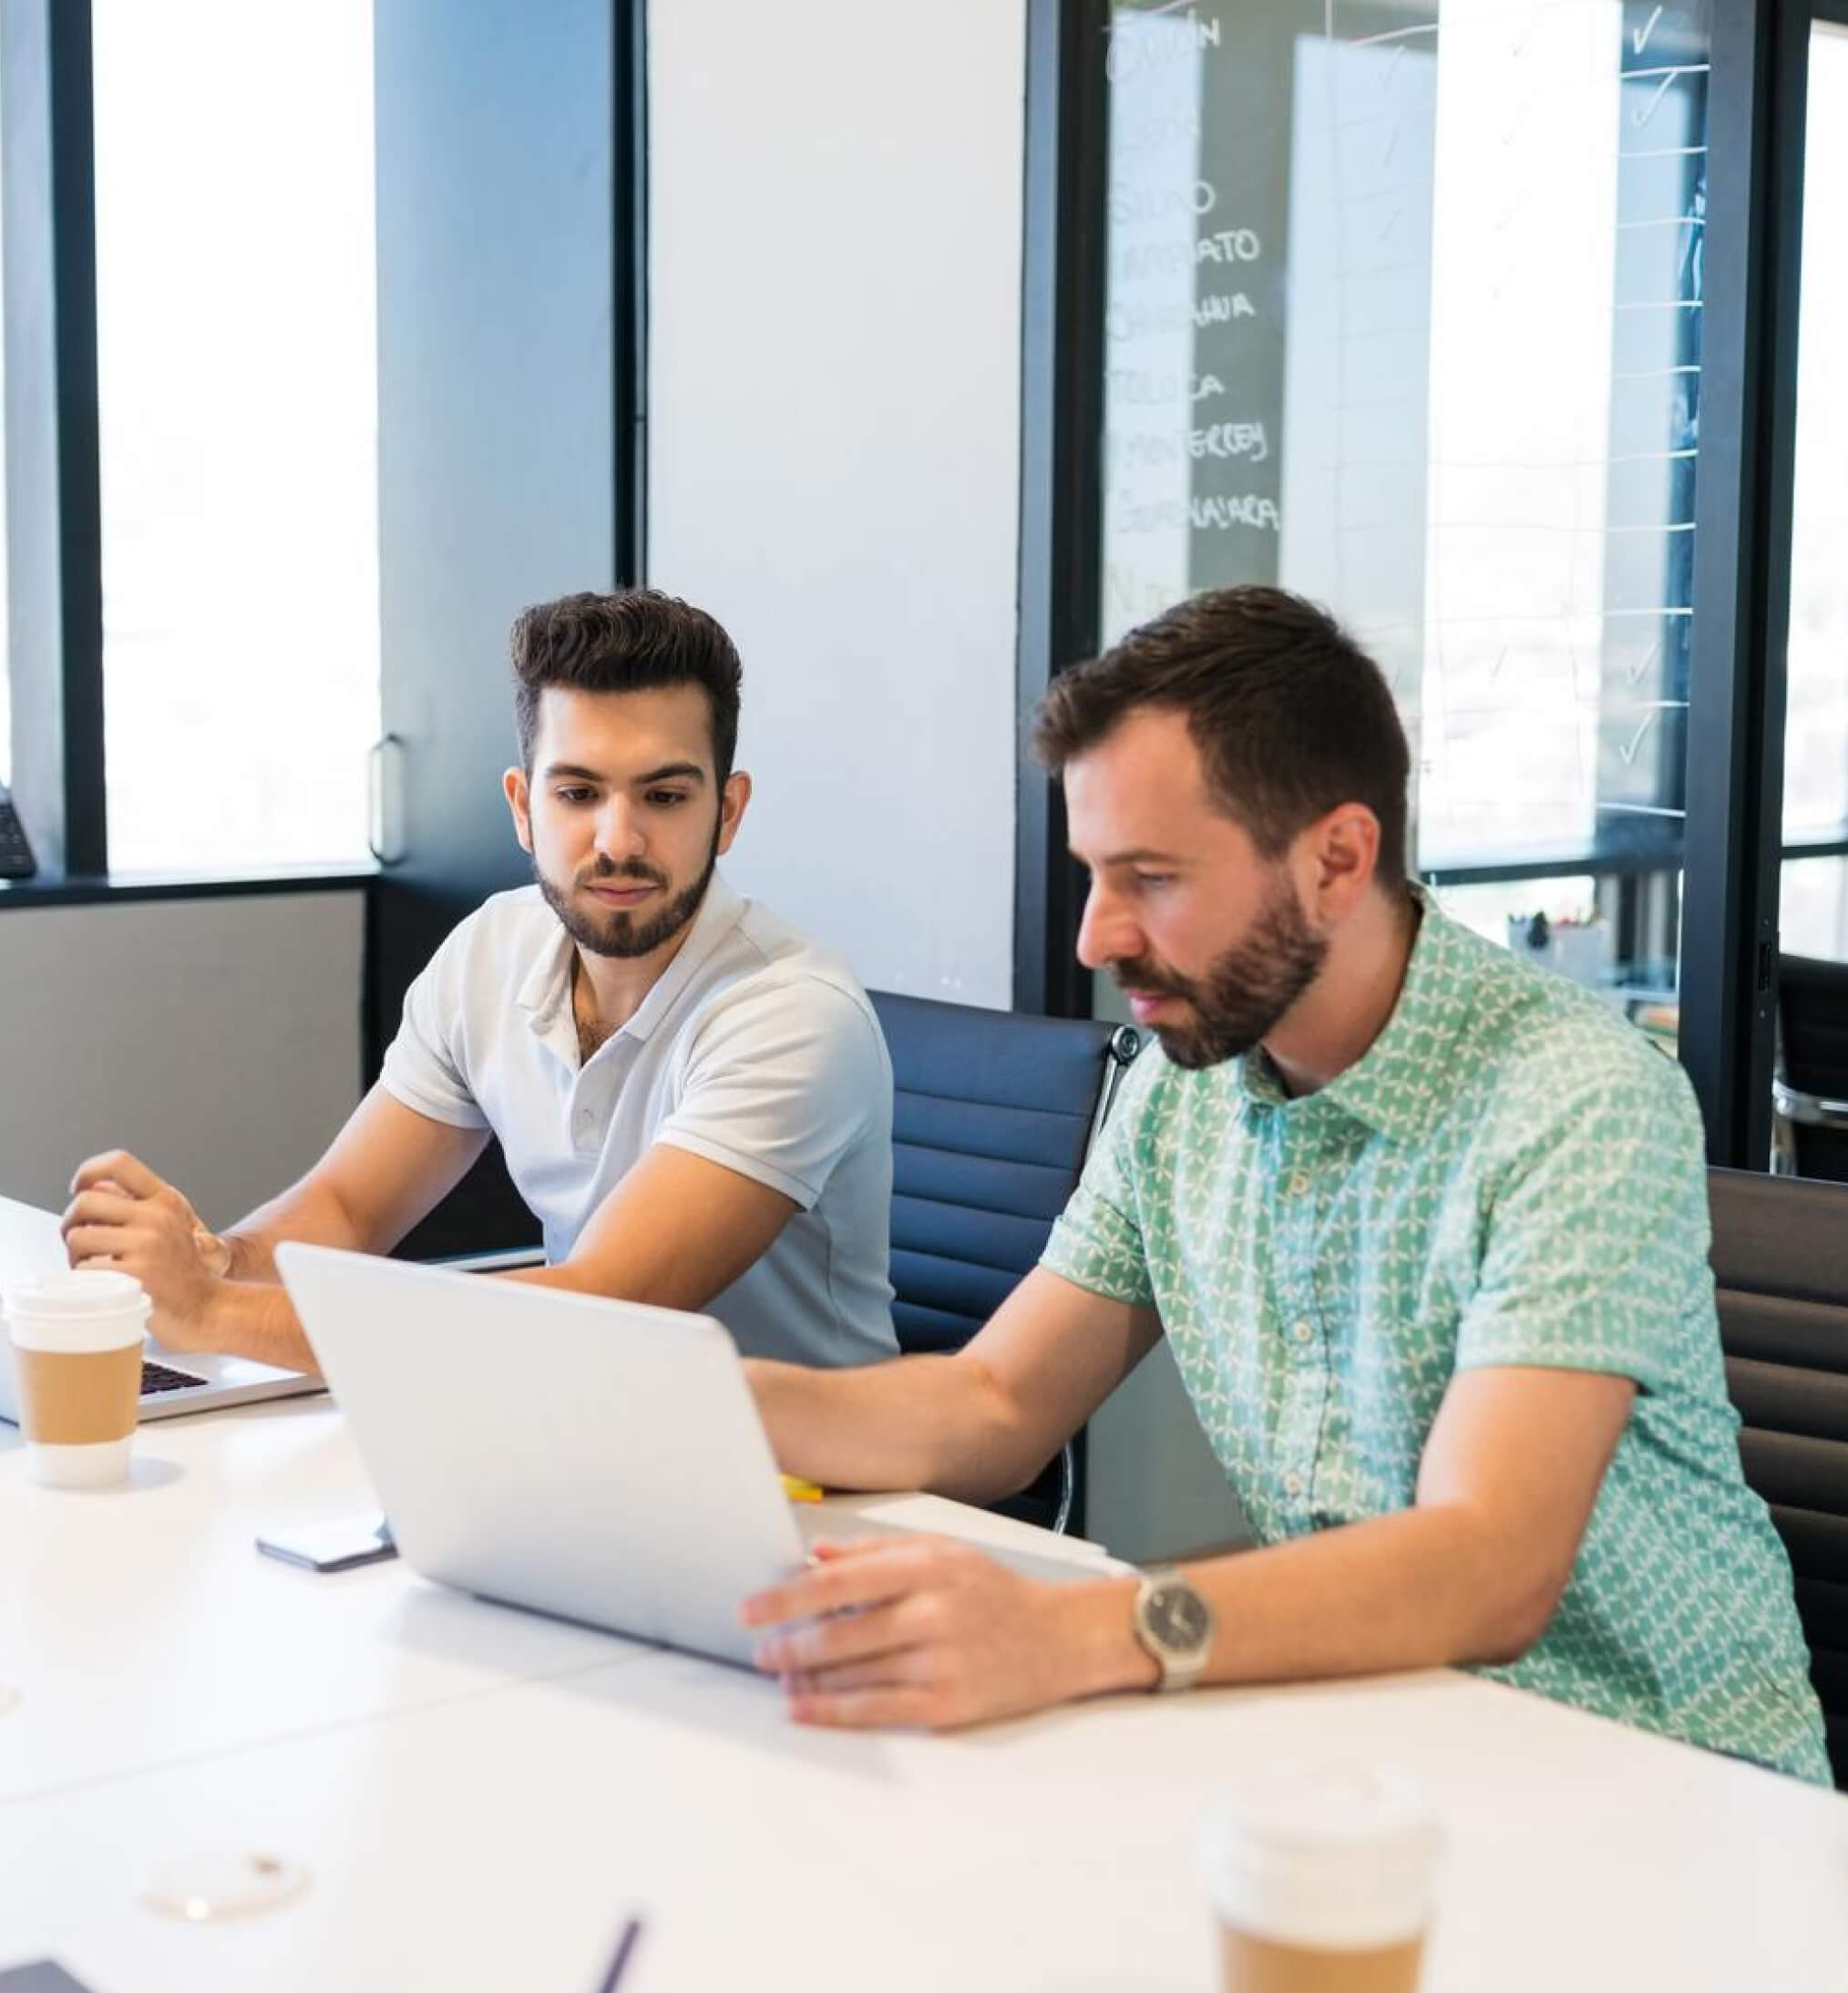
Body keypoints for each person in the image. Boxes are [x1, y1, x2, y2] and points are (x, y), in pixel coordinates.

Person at [738, 584, 1831, 1785]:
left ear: (1337, 857)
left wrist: (1064, 1629)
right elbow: (997, 1402)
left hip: (1669, 1787)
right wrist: (697, 1398)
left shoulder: (1575, 1096)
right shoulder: (1184, 1081)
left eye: (1150, 876)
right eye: (1093, 873)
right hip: (1369, 1743)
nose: (1095, 938)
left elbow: (1487, 1562)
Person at [62, 590, 897, 1376]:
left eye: (665, 795)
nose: (618, 839)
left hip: (822, 1494)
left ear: (730, 810)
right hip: (579, 1434)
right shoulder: (492, 951)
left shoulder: (792, 1014)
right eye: (577, 791)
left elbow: (605, 1306)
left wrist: (213, 1311)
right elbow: (348, 1209)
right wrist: (219, 1260)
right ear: (523, 807)